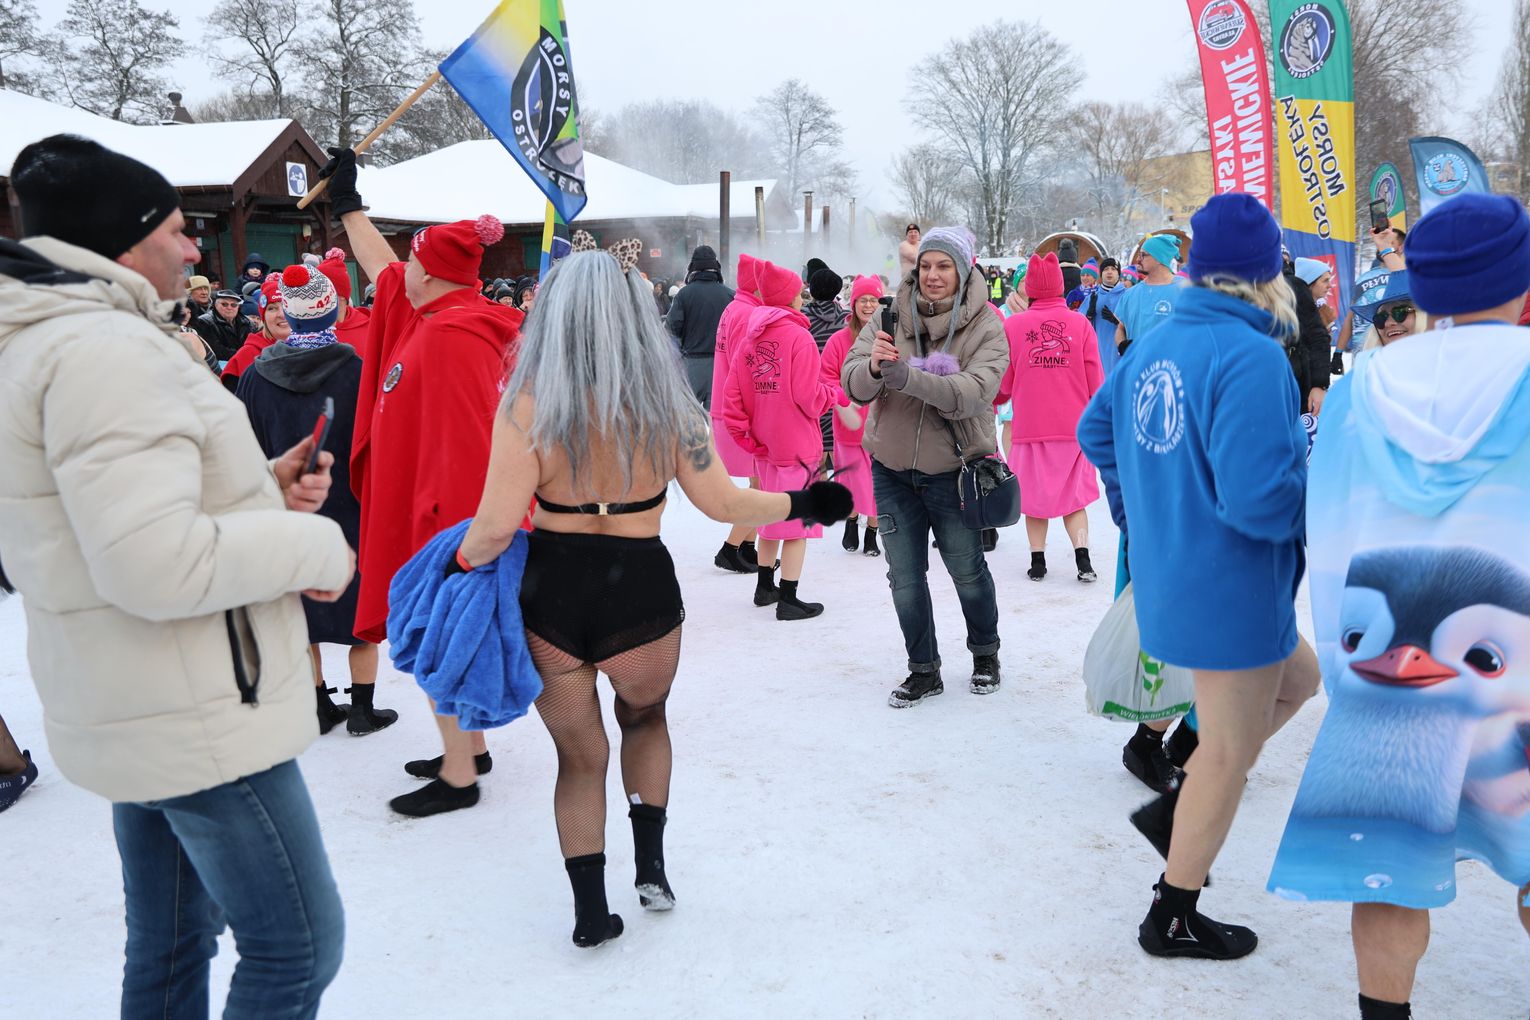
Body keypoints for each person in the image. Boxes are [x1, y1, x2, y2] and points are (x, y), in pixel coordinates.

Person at [0, 134, 351, 1017]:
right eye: (176, 229)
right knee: (297, 949)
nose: (196, 248)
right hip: (196, 708)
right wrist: (316, 550)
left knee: (170, 947)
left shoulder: (57, 340)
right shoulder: (104, 352)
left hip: (142, 696)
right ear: (122, 242)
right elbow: (151, 561)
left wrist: (258, 487)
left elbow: (101, 518)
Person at [449, 248, 851, 947]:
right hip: (640, 591)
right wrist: (806, 501)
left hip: (553, 595)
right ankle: (652, 869)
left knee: (578, 759)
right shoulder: (668, 406)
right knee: (645, 721)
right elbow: (724, 502)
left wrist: (452, 573)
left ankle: (588, 911)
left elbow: (490, 529)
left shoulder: (526, 405)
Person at [1267, 193, 1530, 1020]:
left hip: (1387, 678)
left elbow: (1331, 525)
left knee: (1385, 868)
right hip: (1516, 677)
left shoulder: (1363, 389)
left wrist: (1350, 664)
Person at [1078, 193, 1320, 961]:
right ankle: (1172, 912)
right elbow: (1260, 500)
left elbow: (1098, 430)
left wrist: (1141, 516)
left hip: (1177, 579)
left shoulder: (1160, 339)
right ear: (1266, 272)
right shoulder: (1251, 355)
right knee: (1227, 754)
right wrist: (1325, 495)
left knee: (1299, 681)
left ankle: (1180, 796)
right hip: (1233, 591)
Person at [318, 147, 526, 817]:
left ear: (430, 274)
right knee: (446, 637)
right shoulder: (439, 312)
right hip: (438, 517)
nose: (399, 272)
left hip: (446, 527)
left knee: (442, 636)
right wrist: (349, 205)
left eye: (413, 263)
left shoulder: (452, 338)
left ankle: (459, 776)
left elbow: (470, 449)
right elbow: (384, 269)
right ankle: (471, 748)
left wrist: (450, 543)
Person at [842, 226, 1009, 708]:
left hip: (955, 472)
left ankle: (985, 654)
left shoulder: (986, 325)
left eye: (944, 266)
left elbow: (973, 393)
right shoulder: (890, 315)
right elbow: (852, 382)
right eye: (926, 265)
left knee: (967, 570)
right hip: (891, 470)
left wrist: (909, 378)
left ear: (964, 270)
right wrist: (873, 369)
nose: (933, 275)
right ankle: (923, 669)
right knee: (905, 577)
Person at [236, 261, 396, 737]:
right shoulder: (359, 373)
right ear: (333, 312)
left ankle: (318, 705)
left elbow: (244, 448)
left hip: (288, 512)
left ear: (288, 314)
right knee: (358, 610)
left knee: (300, 607)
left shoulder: (256, 375)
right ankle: (363, 709)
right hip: (350, 508)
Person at [721, 260, 841, 621]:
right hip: (797, 445)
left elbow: (732, 396)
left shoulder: (750, 338)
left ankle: (764, 587)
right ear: (790, 297)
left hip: (765, 446)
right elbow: (808, 396)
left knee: (769, 517)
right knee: (797, 526)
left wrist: (747, 438)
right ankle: (789, 598)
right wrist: (831, 395)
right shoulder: (799, 337)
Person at [996, 251, 1103, 583]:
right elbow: (1095, 378)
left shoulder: (1013, 325)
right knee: (1074, 498)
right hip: (1073, 428)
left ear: (1030, 288)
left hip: (1030, 428)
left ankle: (1038, 561)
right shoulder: (1079, 324)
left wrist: (995, 398)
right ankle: (1083, 558)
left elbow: (1004, 383)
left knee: (1034, 499)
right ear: (1059, 285)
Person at [821, 275, 884, 556]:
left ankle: (872, 531)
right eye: (863, 300)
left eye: (874, 300)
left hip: (881, 425)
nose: (868, 305)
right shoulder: (838, 340)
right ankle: (851, 518)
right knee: (852, 479)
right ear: (854, 303)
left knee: (878, 481)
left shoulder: (888, 338)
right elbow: (826, 377)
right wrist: (848, 400)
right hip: (848, 423)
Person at [709, 254, 764, 574]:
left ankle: (746, 546)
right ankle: (731, 548)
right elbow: (745, 369)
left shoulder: (735, 307)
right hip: (741, 409)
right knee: (762, 484)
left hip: (726, 405)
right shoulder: (748, 313)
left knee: (759, 480)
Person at [665, 245, 733, 408]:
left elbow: (671, 327)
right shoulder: (730, 295)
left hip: (692, 364)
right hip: (722, 365)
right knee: (716, 416)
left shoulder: (684, 294)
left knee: (688, 415)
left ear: (692, 267)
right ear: (716, 266)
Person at [801, 265, 847, 465]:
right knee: (840, 457)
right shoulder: (847, 319)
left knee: (815, 456)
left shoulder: (801, 319)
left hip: (811, 394)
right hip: (839, 393)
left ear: (811, 290)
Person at [1111, 234, 1186, 356]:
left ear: (1159, 258)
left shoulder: (1185, 290)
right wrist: (1122, 345)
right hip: (1137, 365)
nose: (1138, 259)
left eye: (1143, 255)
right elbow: (1121, 328)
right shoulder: (1130, 294)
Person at [221, 274, 289, 391]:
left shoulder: (311, 347)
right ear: (263, 317)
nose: (281, 314)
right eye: (272, 308)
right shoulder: (246, 356)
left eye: (286, 306)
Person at [1289, 256, 1334, 413]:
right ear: (1309, 282)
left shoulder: (1319, 309)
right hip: (1299, 387)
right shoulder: (1296, 309)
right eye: (1325, 281)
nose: (1329, 285)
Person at [191, 287, 254, 361]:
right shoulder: (204, 322)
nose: (229, 308)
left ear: (238, 307)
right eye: (224, 304)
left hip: (245, 360)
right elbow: (216, 350)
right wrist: (243, 355)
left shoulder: (247, 322)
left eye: (233, 305)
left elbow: (252, 344)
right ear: (216, 305)